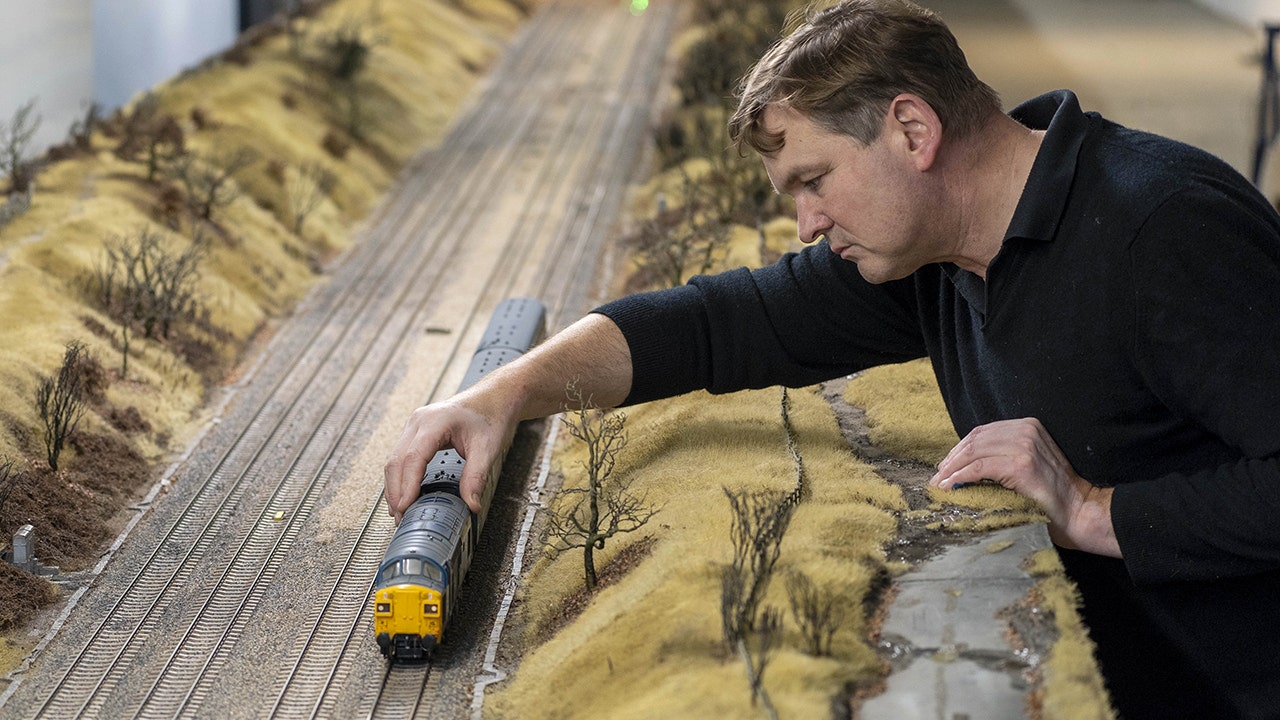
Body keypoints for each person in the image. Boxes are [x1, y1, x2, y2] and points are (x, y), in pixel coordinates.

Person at [385, 0, 1280, 715]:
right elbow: (718, 324)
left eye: (814, 181)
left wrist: (1093, 510)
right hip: (1127, 670)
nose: (807, 223)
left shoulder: (1164, 232)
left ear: (912, 131)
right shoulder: (934, 254)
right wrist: (503, 394)